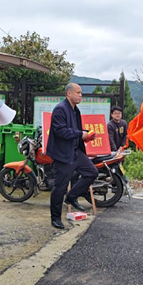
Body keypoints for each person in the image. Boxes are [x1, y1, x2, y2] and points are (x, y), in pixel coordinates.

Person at [46, 83, 98, 230]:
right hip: (63, 154)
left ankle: (71, 196)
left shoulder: (76, 110)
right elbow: (60, 131)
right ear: (69, 93)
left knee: (92, 172)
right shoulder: (60, 109)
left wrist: (86, 135)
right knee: (60, 187)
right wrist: (81, 134)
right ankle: (55, 218)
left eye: (81, 93)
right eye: (78, 92)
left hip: (76, 151)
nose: (81, 95)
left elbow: (76, 130)